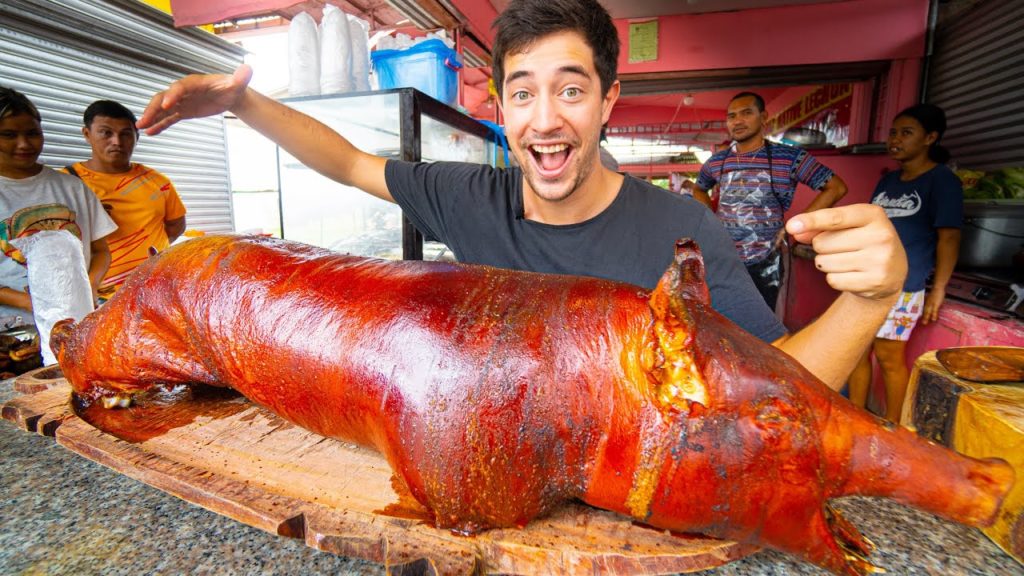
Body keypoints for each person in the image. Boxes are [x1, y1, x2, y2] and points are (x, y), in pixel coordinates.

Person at [137, 0, 906, 392]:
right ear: (501, 110)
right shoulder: (471, 197)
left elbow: (783, 387)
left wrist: (869, 302)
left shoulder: (684, 232)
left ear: (607, 102)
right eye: (523, 93)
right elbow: (346, 162)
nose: (546, 119)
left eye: (571, 90)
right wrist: (243, 104)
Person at [848, 104, 962, 422]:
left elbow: (949, 237)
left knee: (888, 357)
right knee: (855, 351)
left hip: (904, 285)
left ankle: (892, 426)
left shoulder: (942, 181)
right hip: (868, 280)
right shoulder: (889, 182)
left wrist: (938, 289)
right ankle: (856, 419)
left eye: (906, 133)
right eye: (894, 132)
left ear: (930, 138)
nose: (896, 139)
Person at [693, 92, 848, 311]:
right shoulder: (717, 161)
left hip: (767, 259)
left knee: (764, 321)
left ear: (763, 117)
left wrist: (796, 227)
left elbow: (836, 187)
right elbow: (699, 188)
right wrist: (711, 221)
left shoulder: (789, 158)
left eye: (746, 113)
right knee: (724, 319)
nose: (737, 121)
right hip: (725, 256)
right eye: (731, 116)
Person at [0, 87, 116, 329]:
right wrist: (31, 302)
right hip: (14, 329)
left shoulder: (72, 187)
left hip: (77, 322)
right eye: (9, 134)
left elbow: (101, 251)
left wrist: (90, 287)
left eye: (33, 133)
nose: (23, 144)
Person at [65, 100, 187, 300]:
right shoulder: (68, 184)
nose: (117, 142)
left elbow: (176, 226)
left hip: (157, 290)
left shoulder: (158, 182)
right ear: (87, 134)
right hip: (100, 298)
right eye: (106, 133)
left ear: (136, 137)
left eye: (125, 134)